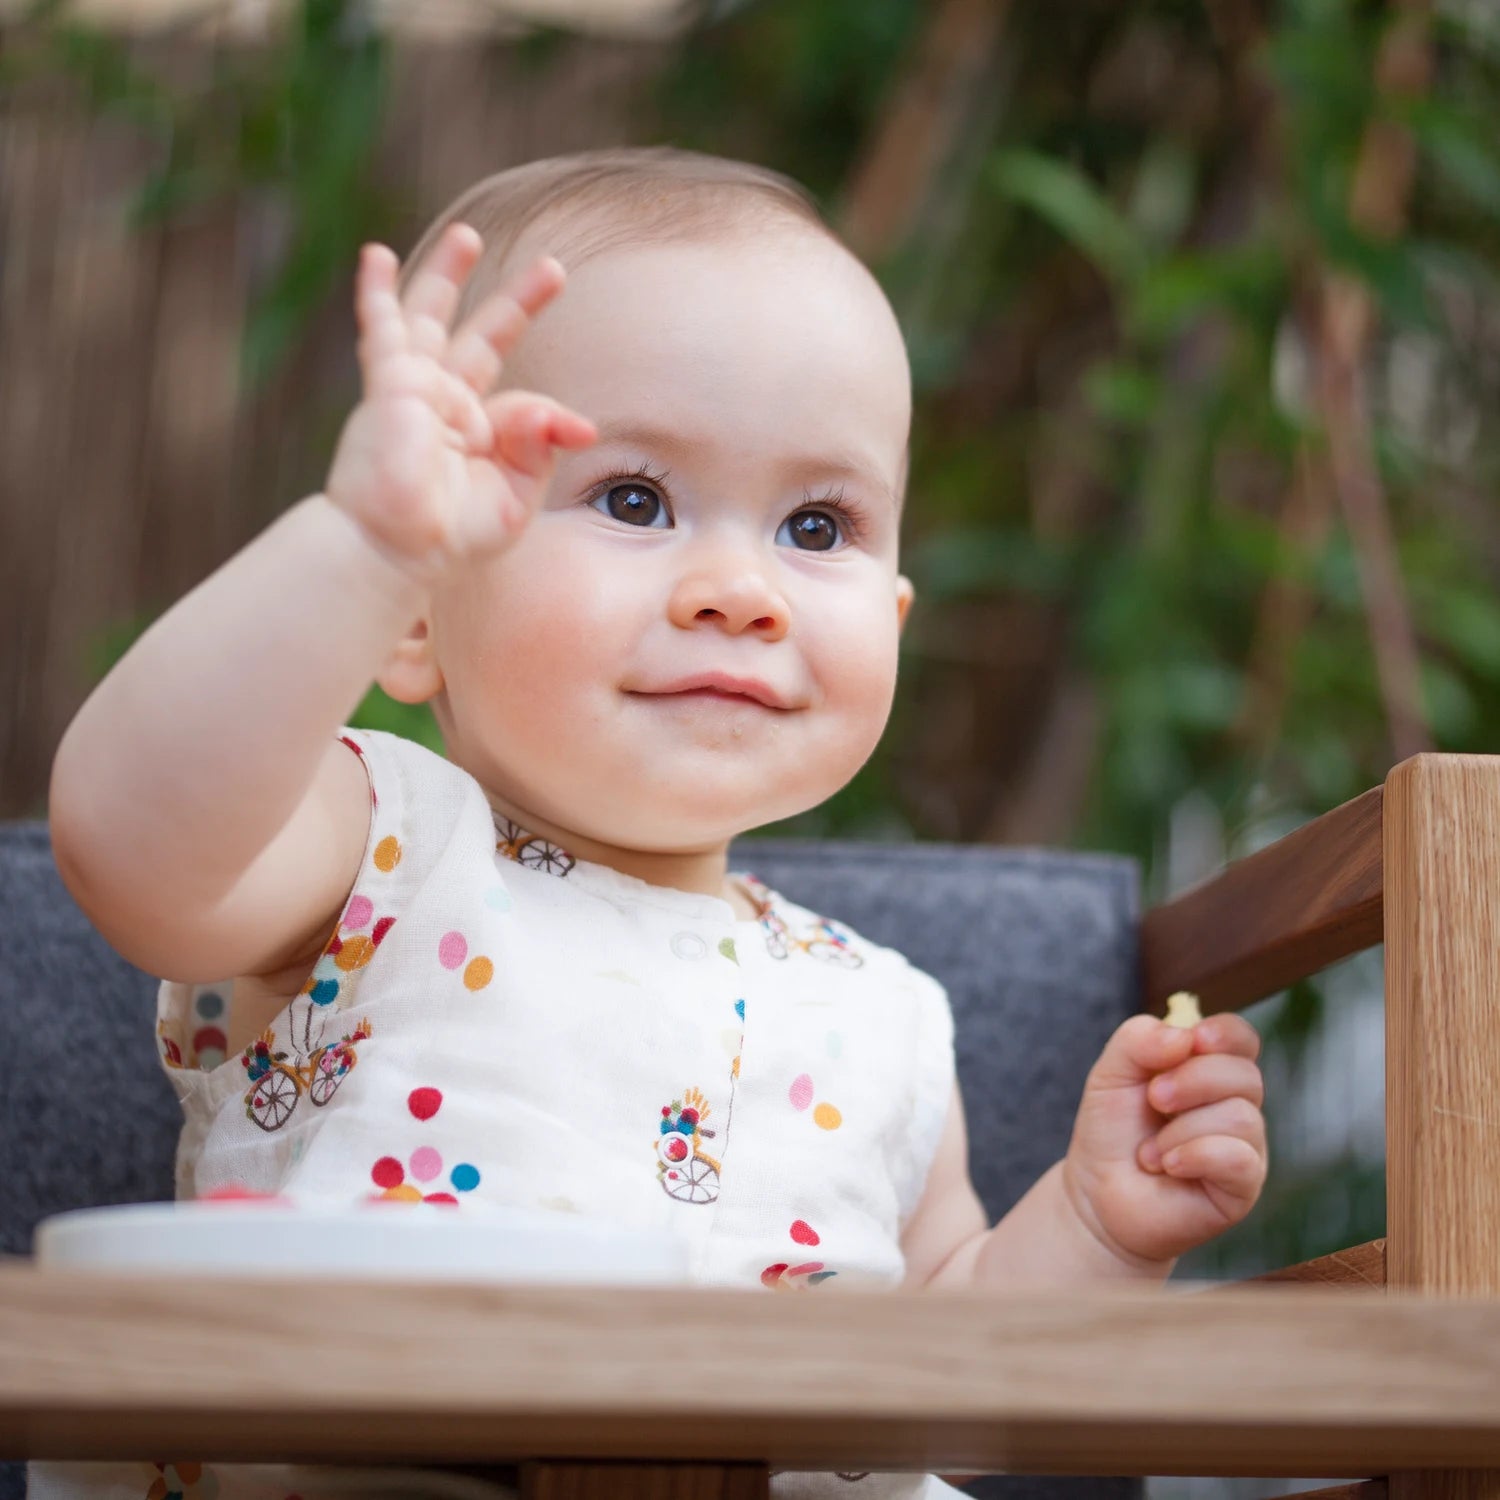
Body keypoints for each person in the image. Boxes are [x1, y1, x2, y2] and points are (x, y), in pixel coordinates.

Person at [42, 147, 1268, 1500]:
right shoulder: (380, 842)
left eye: (818, 522)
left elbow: (950, 1388)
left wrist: (1097, 1230)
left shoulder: (885, 1014)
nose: (740, 587)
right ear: (415, 610)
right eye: (634, 499)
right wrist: (356, 544)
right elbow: (129, 844)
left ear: (897, 621)